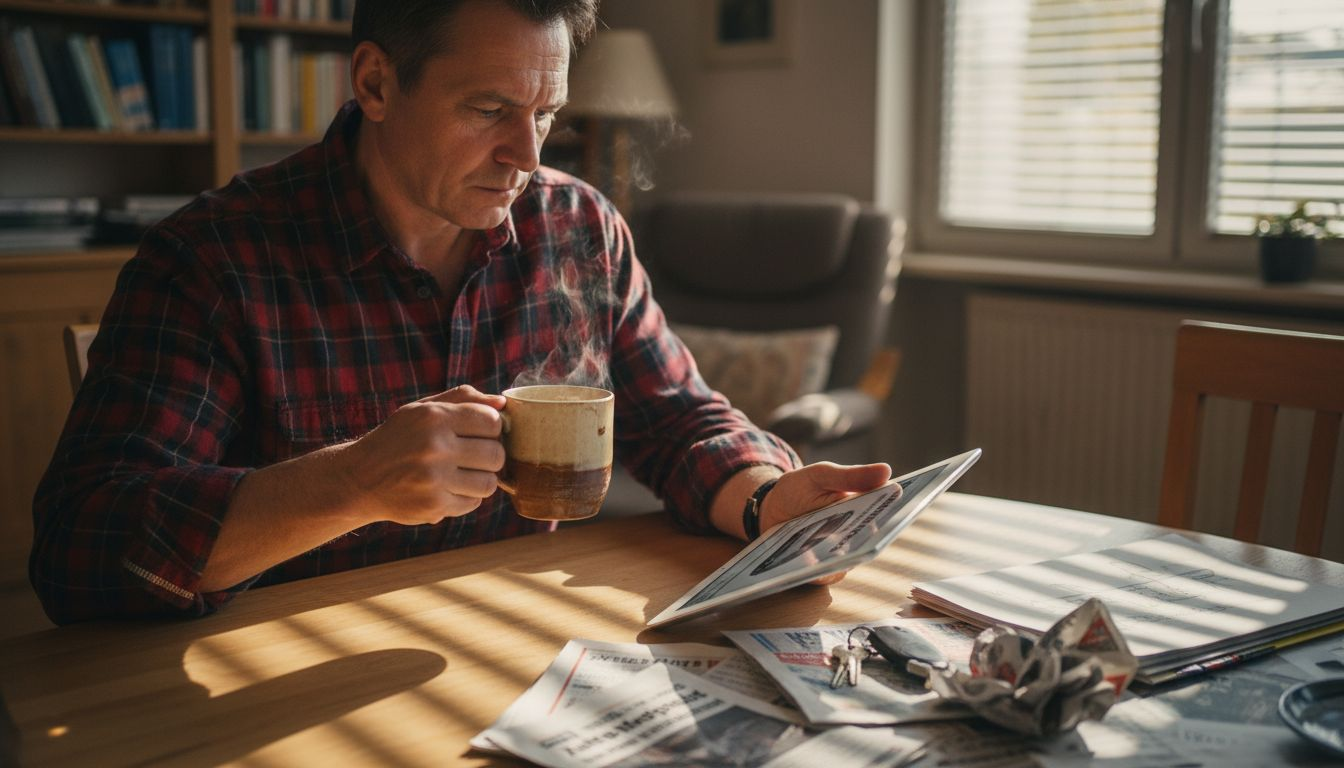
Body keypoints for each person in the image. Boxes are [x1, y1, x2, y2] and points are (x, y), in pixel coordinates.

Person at [30, 0, 892, 624]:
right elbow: (82, 552)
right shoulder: (214, 259)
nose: (526, 155)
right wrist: (349, 481)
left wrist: (766, 500)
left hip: (525, 643)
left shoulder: (578, 228)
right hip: (279, 670)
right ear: (374, 82)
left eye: (545, 114)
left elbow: (674, 420)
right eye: (489, 110)